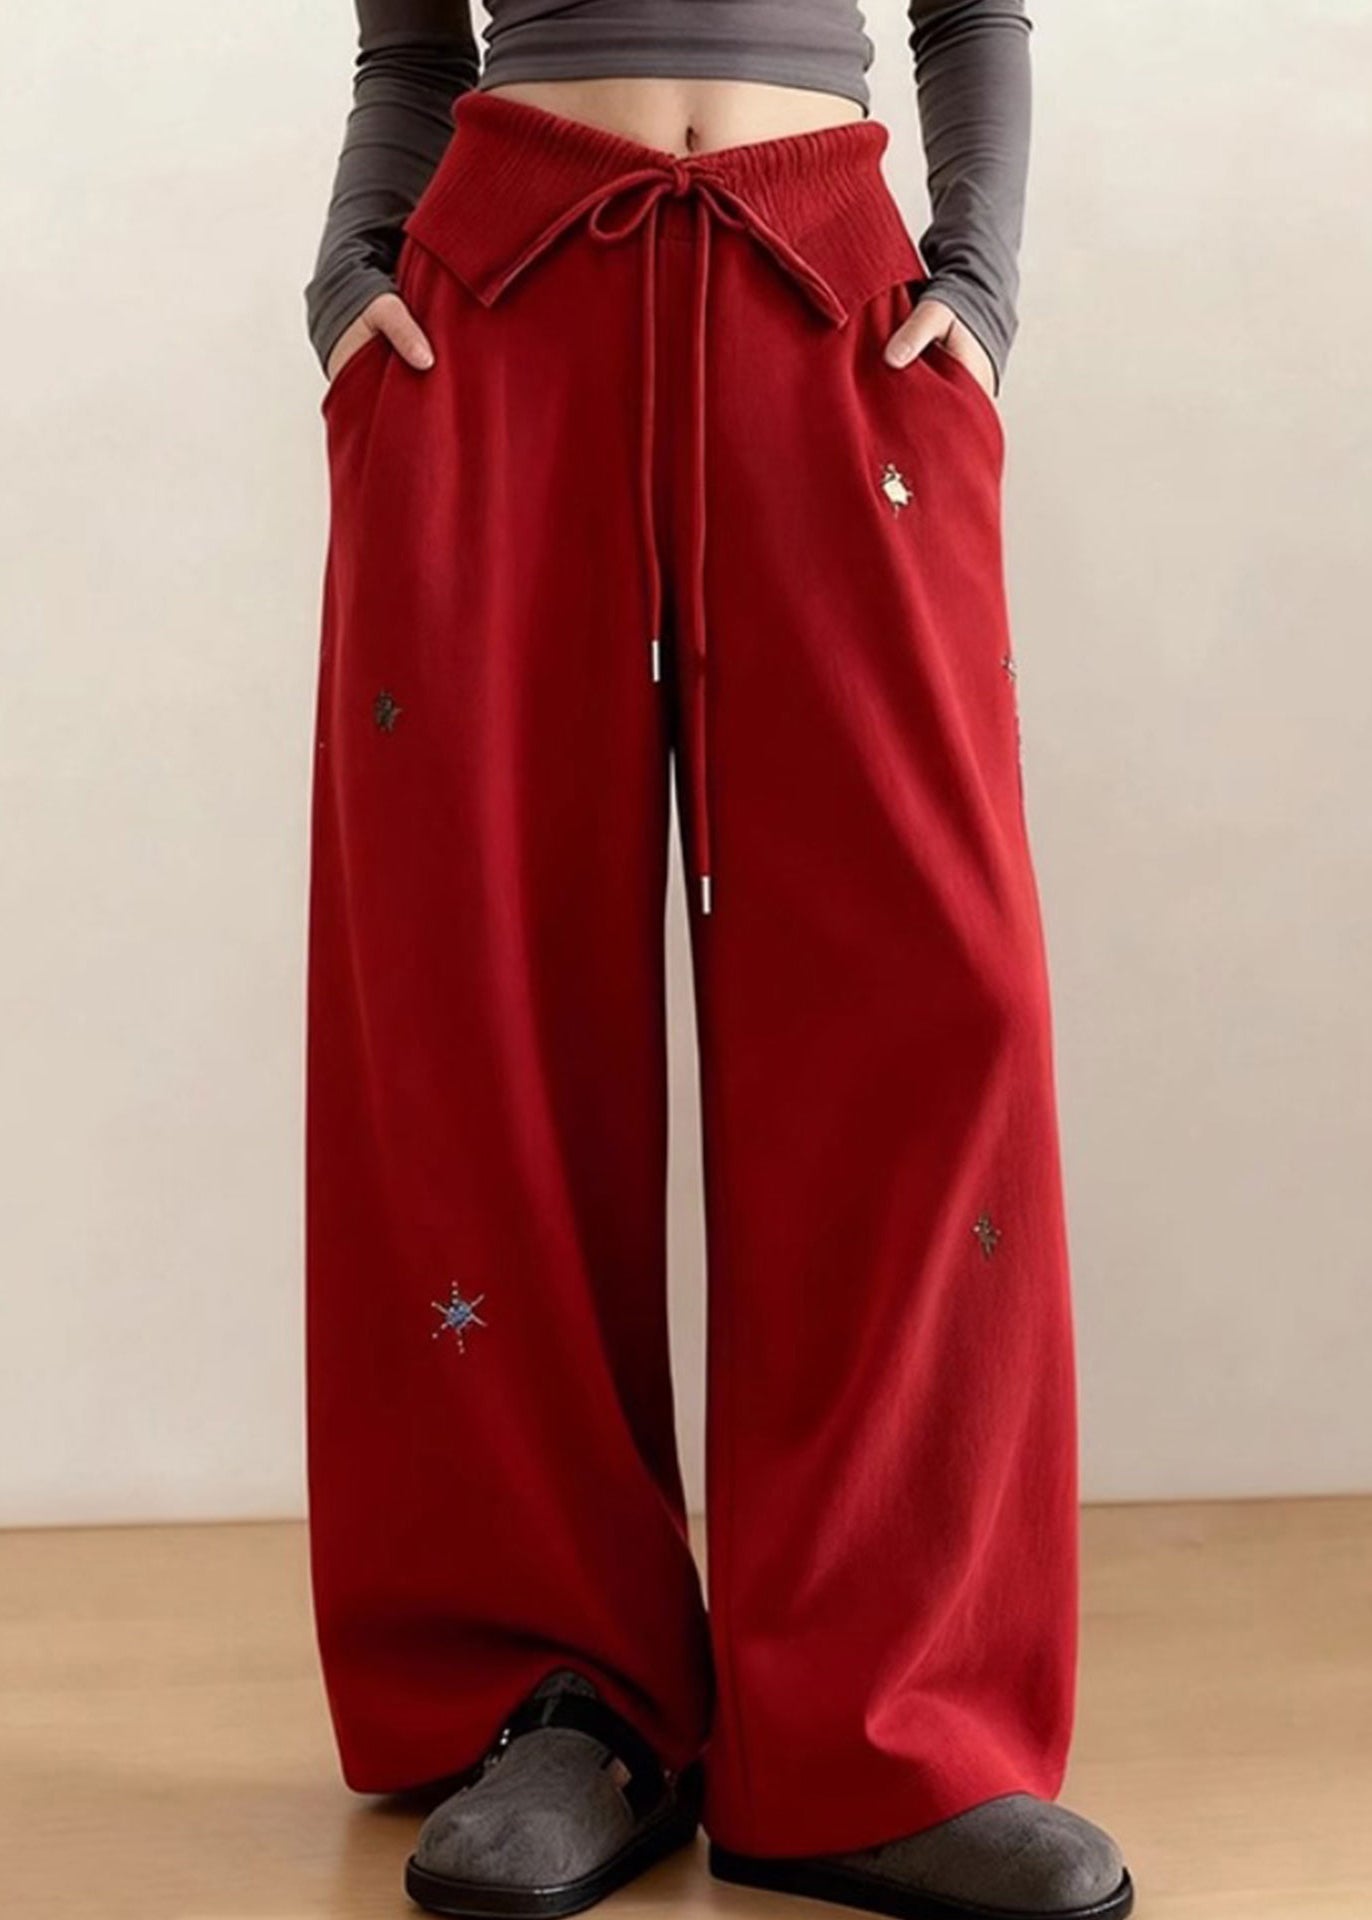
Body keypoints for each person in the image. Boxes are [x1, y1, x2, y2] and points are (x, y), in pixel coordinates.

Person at [301, 6, 1134, 1919]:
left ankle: (887, 1720)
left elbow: (973, 12)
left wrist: (981, 292)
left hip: (831, 296)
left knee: (935, 999)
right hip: (497, 302)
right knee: (478, 1005)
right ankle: (557, 1693)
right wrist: (349, 287)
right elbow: (408, 51)